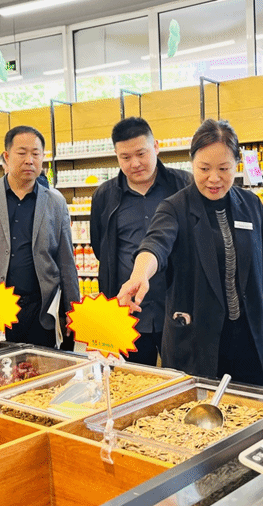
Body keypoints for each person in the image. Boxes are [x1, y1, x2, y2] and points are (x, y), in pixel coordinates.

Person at [118, 119, 263, 386]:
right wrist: (140, 274)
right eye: (204, 168)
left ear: (237, 165)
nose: (214, 178)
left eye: (224, 168)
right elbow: (155, 244)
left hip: (249, 344)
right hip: (195, 346)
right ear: (192, 164)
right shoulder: (175, 208)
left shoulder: (251, 206)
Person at [0, 125, 79, 347]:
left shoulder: (56, 202)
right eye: (22, 153)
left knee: (41, 366)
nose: (29, 160)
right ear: (6, 156)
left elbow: (66, 260)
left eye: (36, 154)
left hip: (41, 309)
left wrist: (74, 308)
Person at [91, 117, 191, 366]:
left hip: (179, 310)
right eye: (125, 157)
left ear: (155, 146)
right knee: (131, 381)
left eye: (141, 153)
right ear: (116, 156)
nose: (134, 163)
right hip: (129, 313)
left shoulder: (184, 186)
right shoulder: (104, 195)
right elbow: (101, 248)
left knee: (183, 378)